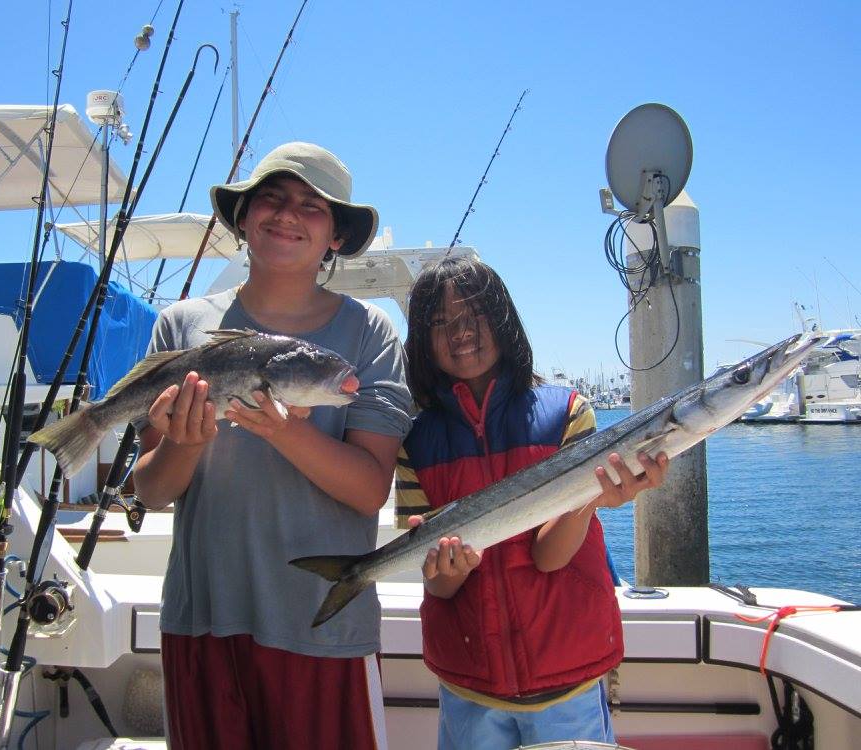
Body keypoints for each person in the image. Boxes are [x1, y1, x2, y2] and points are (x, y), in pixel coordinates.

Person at [133, 142, 412, 750]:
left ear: (336, 235)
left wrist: (285, 430)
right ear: (244, 216)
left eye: (313, 207)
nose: (288, 215)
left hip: (321, 626)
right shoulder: (181, 325)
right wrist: (185, 443)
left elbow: (369, 489)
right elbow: (151, 489)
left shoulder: (371, 335)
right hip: (203, 620)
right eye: (273, 198)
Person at [394, 255, 669, 749]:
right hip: (468, 682)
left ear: (503, 319)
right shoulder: (415, 443)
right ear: (420, 340)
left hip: (568, 679)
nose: (461, 332)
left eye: (475, 314)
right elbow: (440, 590)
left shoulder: (566, 412)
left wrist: (587, 498)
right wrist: (448, 567)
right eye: (440, 322)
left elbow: (550, 555)